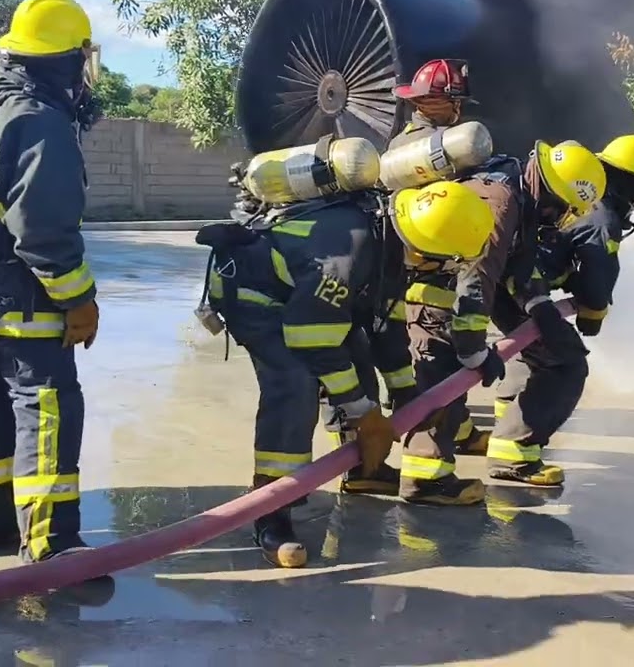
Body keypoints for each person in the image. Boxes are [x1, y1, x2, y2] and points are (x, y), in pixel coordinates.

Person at [200, 179, 496, 566]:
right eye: (445, 262)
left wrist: (407, 395)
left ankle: (361, 471)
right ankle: (271, 508)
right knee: (295, 383)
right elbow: (311, 338)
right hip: (257, 295)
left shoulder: (391, 237)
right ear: (424, 252)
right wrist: (366, 414)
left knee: (354, 351)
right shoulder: (352, 251)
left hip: (305, 299)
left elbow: (384, 328)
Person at [0, 0, 104, 566]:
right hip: (28, 310)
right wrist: (80, 301)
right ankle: (54, 546)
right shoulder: (38, 122)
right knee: (50, 413)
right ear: (69, 57)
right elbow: (44, 233)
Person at [397, 140, 605, 493]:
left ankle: (511, 452)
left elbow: (520, 263)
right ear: (552, 194)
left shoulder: (518, 189)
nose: (558, 220)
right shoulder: (501, 203)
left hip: (452, 296)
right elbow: (476, 278)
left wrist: (538, 303)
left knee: (564, 360)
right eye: (562, 210)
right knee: (441, 387)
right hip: (437, 300)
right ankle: (425, 483)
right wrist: (475, 352)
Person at [388, 58, 495, 457]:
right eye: (456, 102)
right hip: (424, 283)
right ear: (446, 102)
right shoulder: (434, 155)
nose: (459, 111)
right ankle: (428, 477)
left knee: (447, 366)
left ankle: (462, 432)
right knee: (435, 376)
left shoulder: (408, 147)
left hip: (429, 278)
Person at [537, 133, 634, 338]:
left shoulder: (584, 195)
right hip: (521, 287)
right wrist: (594, 314)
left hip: (514, 276)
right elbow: (599, 270)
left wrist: (572, 280)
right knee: (567, 365)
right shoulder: (604, 219)